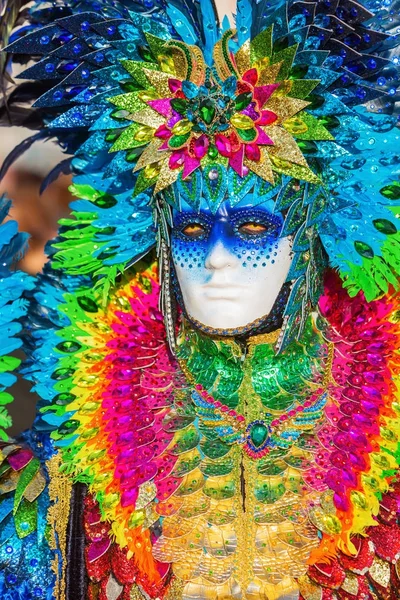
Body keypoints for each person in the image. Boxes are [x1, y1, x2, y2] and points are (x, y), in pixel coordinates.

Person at [0, 0, 399, 598]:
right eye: (190, 230)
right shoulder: (69, 462)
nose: (216, 258)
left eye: (252, 229)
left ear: (306, 237)